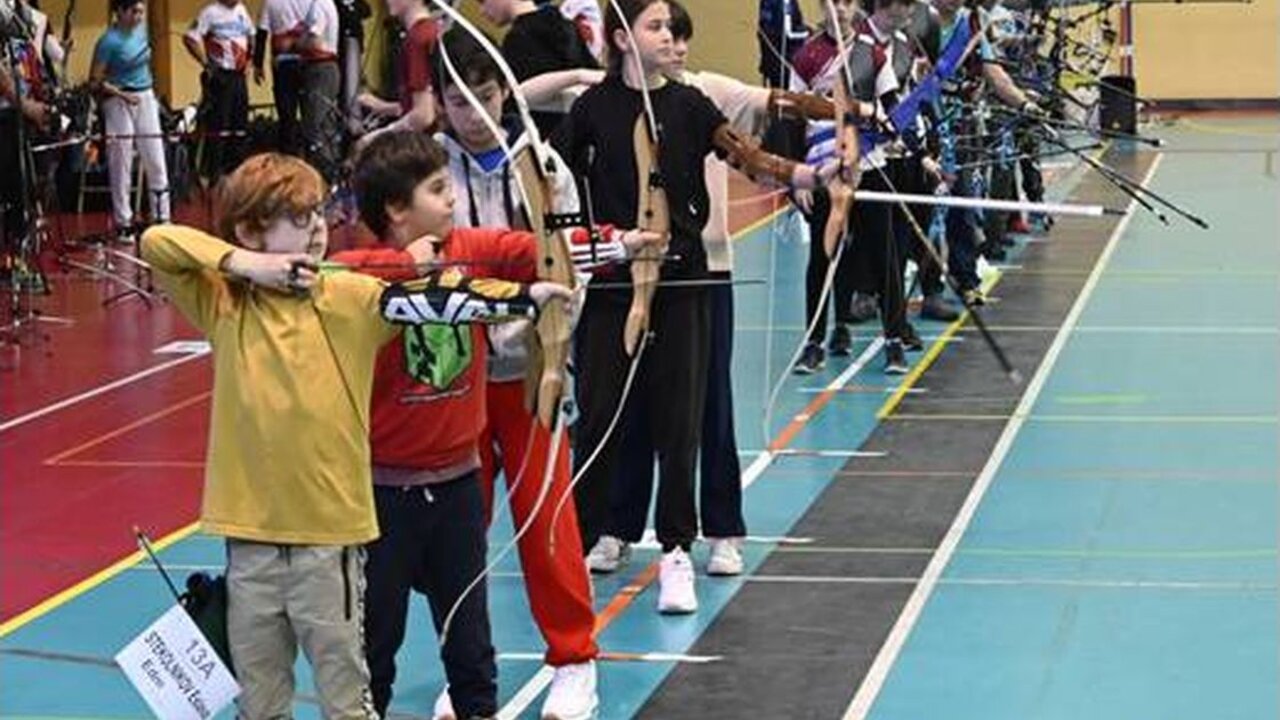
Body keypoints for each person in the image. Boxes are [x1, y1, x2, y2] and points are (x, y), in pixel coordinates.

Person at [140, 152, 563, 720]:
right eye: (296, 217)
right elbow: (157, 242)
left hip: (328, 540)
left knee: (348, 699)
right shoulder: (224, 301)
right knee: (260, 703)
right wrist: (248, 265)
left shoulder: (351, 297)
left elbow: (436, 298)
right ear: (248, 229)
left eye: (318, 213)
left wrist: (523, 298)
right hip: (250, 539)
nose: (316, 228)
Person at [558, 0, 835, 615]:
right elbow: (556, 192)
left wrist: (807, 176)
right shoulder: (591, 110)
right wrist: (589, 246)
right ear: (622, 37)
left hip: (683, 283)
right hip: (611, 285)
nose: (670, 40)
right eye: (656, 27)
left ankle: (677, 551)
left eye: (674, 29)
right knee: (601, 417)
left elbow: (747, 157)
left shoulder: (689, 104)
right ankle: (589, 538)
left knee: (679, 421)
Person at [427, 27, 654, 719]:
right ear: (440, 101)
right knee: (457, 538)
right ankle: (464, 670)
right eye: (458, 101)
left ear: (503, 94)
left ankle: (574, 659)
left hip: (533, 374)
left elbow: (567, 259)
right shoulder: (421, 170)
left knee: (547, 523)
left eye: (485, 96)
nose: (473, 113)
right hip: (453, 379)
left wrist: (546, 330)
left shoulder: (543, 166)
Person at [91, 0, 170, 231]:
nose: (139, 16)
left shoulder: (141, 34)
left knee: (155, 157)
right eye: (134, 11)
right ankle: (123, 220)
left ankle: (162, 215)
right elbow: (95, 81)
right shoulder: (108, 42)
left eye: (141, 12)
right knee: (121, 161)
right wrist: (122, 95)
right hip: (118, 101)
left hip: (145, 96)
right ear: (120, 12)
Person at [479, 0, 598, 137]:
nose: (482, 12)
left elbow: (517, 100)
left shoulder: (518, 39)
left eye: (483, 1)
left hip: (547, 140)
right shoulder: (566, 25)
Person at [353, 0, 439, 149]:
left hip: (421, 149)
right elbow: (425, 104)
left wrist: (378, 136)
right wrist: (383, 106)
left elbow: (424, 116)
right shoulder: (431, 30)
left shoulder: (417, 39)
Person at [183, 0, 255, 179]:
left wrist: (250, 61)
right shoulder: (210, 12)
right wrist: (206, 64)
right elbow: (190, 38)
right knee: (219, 126)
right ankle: (214, 174)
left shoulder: (241, 10)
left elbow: (251, 35)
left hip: (239, 76)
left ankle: (237, 173)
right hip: (220, 76)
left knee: (239, 125)